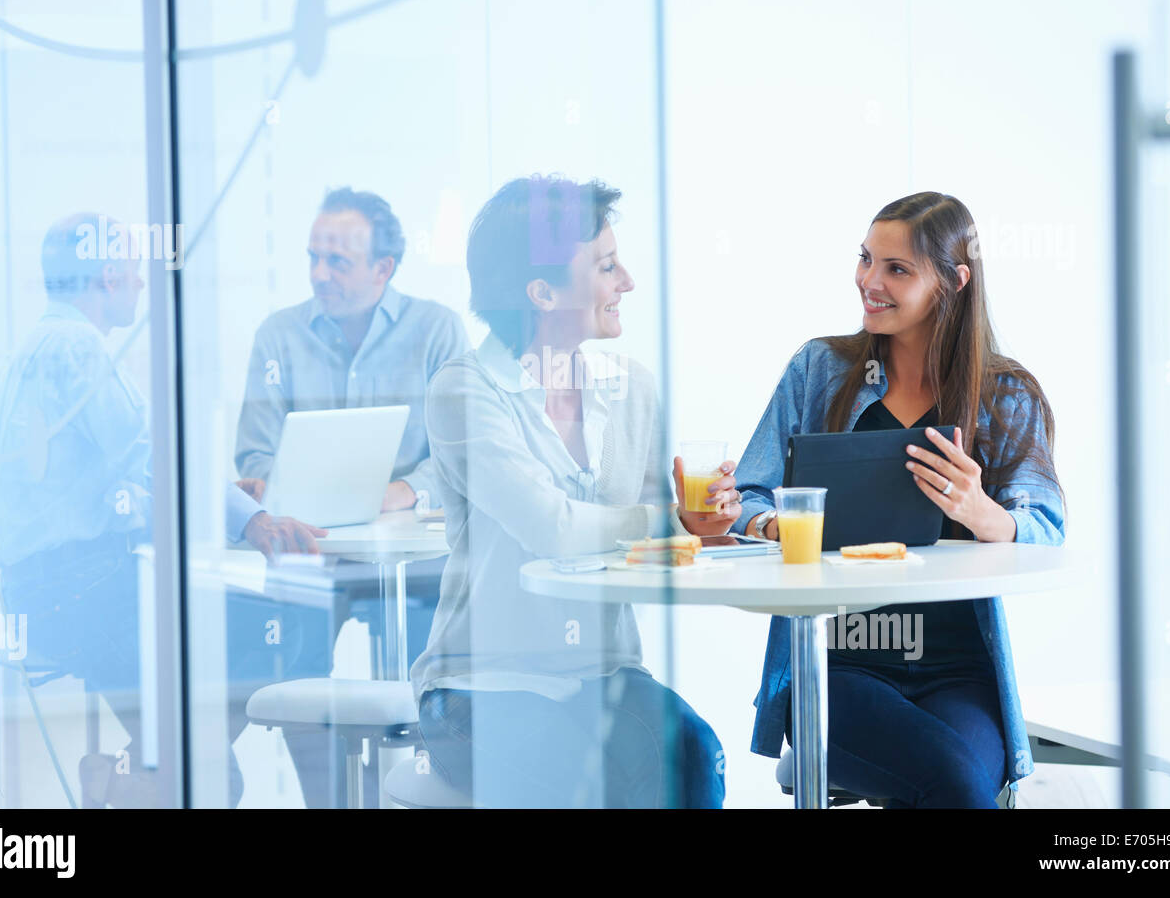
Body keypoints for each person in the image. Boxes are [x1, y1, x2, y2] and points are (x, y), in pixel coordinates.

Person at [0, 214, 327, 807]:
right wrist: (248, 518)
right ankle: (141, 773)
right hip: (88, 591)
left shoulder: (27, 349)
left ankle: (140, 767)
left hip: (50, 593)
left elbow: (83, 492)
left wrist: (217, 496)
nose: (142, 284)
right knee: (289, 625)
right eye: (136, 272)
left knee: (204, 765)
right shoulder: (78, 348)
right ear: (110, 274)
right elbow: (154, 456)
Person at [732, 191, 1065, 808]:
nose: (869, 281)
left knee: (961, 787)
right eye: (866, 259)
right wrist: (778, 525)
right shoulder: (819, 371)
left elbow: (1045, 528)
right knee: (959, 790)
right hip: (840, 664)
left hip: (958, 670)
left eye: (897, 269)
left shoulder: (1006, 394)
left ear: (954, 282)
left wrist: (979, 510)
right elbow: (745, 498)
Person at [410, 175, 732, 808]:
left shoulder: (630, 387)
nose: (627, 282)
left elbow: (660, 537)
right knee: (589, 782)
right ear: (542, 291)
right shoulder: (465, 391)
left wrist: (703, 523)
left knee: (695, 754)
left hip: (605, 673)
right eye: (607, 266)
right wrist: (668, 520)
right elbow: (552, 529)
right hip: (480, 684)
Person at [234, 187, 469, 805]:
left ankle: (415, 794)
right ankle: (335, 799)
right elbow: (254, 456)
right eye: (313, 257)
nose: (319, 274)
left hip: (416, 562)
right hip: (314, 552)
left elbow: (465, 454)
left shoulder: (436, 330)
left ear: (383, 269)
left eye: (337, 261)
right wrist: (268, 495)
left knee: (436, 681)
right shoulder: (277, 337)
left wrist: (404, 490)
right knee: (293, 670)